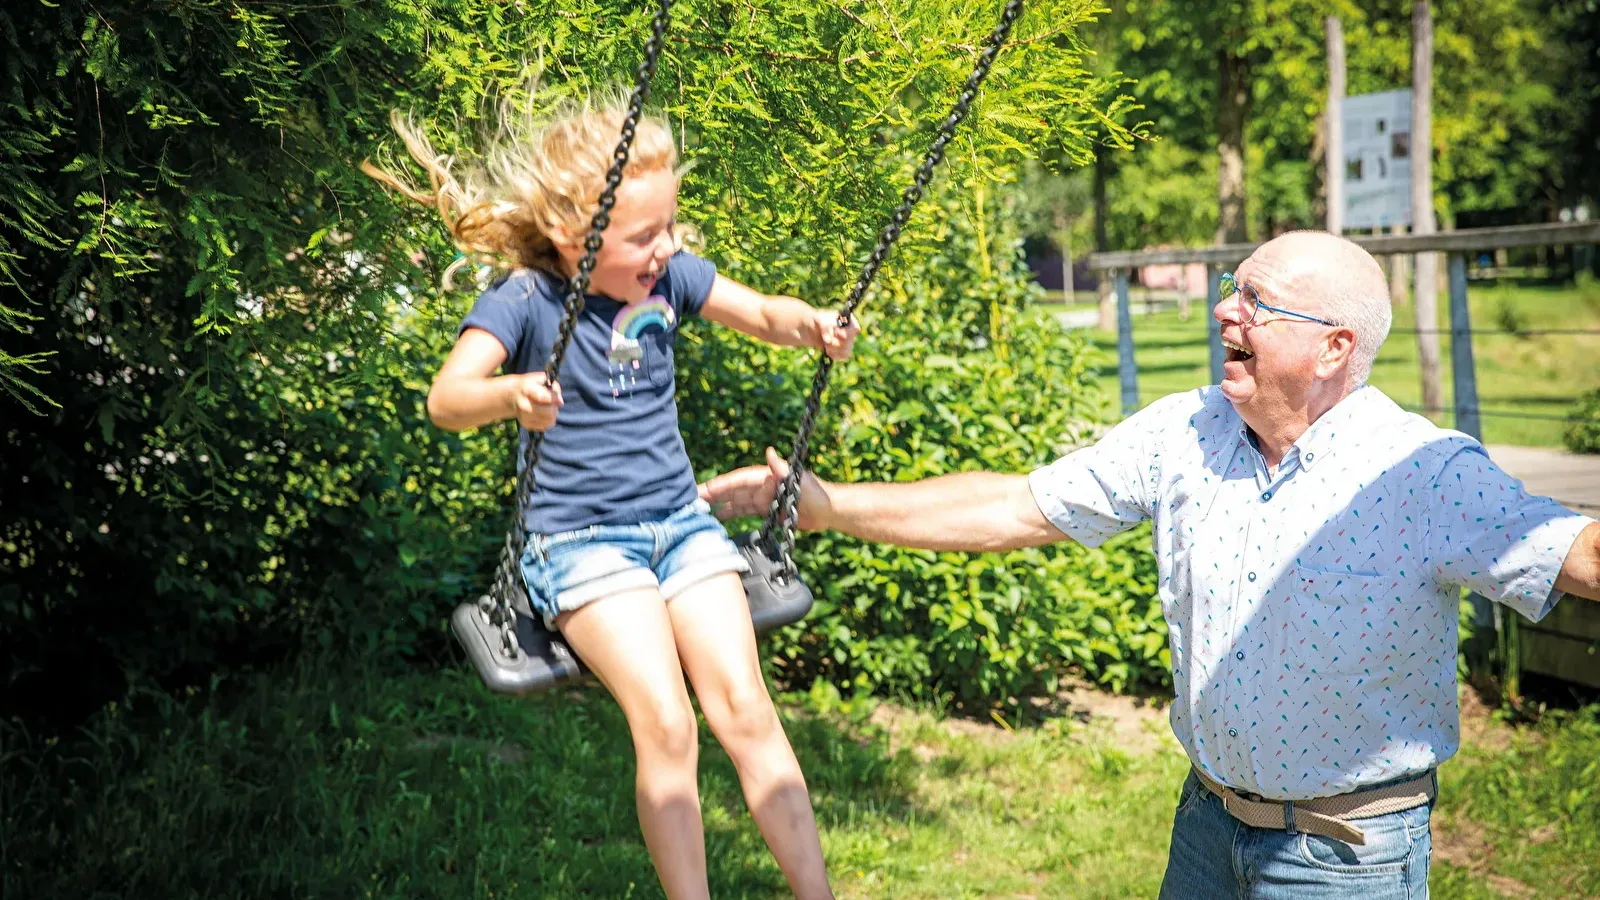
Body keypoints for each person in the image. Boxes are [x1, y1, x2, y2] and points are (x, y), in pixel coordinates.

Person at [700, 230, 1600, 899]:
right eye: (1231, 289)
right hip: (1207, 830)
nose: (1224, 312)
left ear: (1335, 348)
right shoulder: (1186, 431)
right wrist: (827, 506)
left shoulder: (1423, 471)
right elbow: (1016, 507)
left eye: (1258, 304)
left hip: (1346, 859)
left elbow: (1579, 555)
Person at [363, 92, 856, 900]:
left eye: (670, 227)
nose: (667, 248)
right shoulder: (527, 302)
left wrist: (812, 325)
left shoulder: (669, 279)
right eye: (644, 236)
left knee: (745, 707)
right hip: (581, 543)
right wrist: (512, 393)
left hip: (681, 526)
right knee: (666, 721)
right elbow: (446, 400)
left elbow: (763, 314)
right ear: (572, 234)